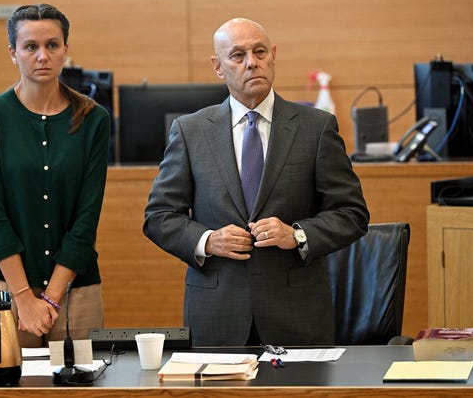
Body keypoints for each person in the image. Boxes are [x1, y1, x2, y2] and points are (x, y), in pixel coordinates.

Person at [143, 17, 369, 347]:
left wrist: (297, 235)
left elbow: (352, 213)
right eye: (237, 55)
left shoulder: (315, 128)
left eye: (260, 51)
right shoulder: (191, 131)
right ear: (218, 67)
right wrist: (207, 240)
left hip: (298, 315)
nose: (252, 62)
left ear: (273, 55)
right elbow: (159, 216)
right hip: (216, 315)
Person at [0, 4, 110, 347]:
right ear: (13, 53)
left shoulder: (93, 119)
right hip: (5, 288)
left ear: (65, 50)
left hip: (76, 287)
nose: (42, 56)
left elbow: (86, 219)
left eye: (52, 45)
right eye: (30, 47)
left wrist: (50, 298)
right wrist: (24, 298)